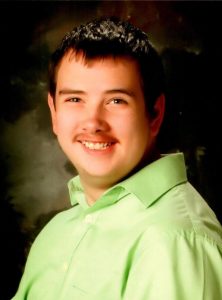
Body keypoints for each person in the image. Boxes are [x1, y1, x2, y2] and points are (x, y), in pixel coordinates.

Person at [12, 17, 222, 300]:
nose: (93, 122)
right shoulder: (55, 234)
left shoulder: (174, 241)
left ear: (155, 114)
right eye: (75, 99)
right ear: (54, 112)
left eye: (116, 101)